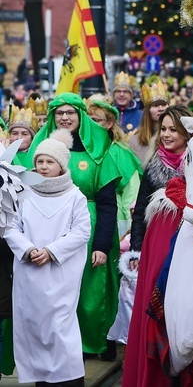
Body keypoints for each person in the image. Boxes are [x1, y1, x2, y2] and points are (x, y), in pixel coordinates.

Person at [28, 93, 122, 359]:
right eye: (59, 112)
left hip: (91, 228)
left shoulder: (98, 150)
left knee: (92, 293)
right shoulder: (42, 149)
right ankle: (63, 344)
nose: (65, 117)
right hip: (52, 229)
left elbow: (106, 204)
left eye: (70, 112)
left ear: (80, 115)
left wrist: (102, 244)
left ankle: (96, 342)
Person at [121, 105, 193, 387]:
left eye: (173, 130)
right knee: (155, 307)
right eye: (163, 129)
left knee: (185, 309)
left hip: (190, 242)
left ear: (187, 132)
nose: (166, 135)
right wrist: (138, 249)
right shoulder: (153, 165)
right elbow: (141, 211)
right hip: (157, 245)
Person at [4, 129, 91, 386]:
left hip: (60, 274)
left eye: (49, 162)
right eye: (39, 161)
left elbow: (82, 231)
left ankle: (69, 377)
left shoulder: (75, 196)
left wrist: (52, 251)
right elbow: (9, 226)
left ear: (61, 165)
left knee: (60, 324)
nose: (43, 167)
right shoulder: (24, 192)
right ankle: (40, 376)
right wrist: (29, 249)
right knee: (32, 324)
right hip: (30, 272)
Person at [87, 97, 143, 238]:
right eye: (88, 120)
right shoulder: (80, 149)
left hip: (114, 222)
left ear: (109, 124)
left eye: (96, 120)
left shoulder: (120, 153)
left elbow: (131, 195)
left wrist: (130, 231)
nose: (90, 125)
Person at [128, 80, 169, 163]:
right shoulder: (135, 140)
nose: (161, 109)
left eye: (164, 105)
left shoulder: (178, 137)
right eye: (156, 105)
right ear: (147, 110)